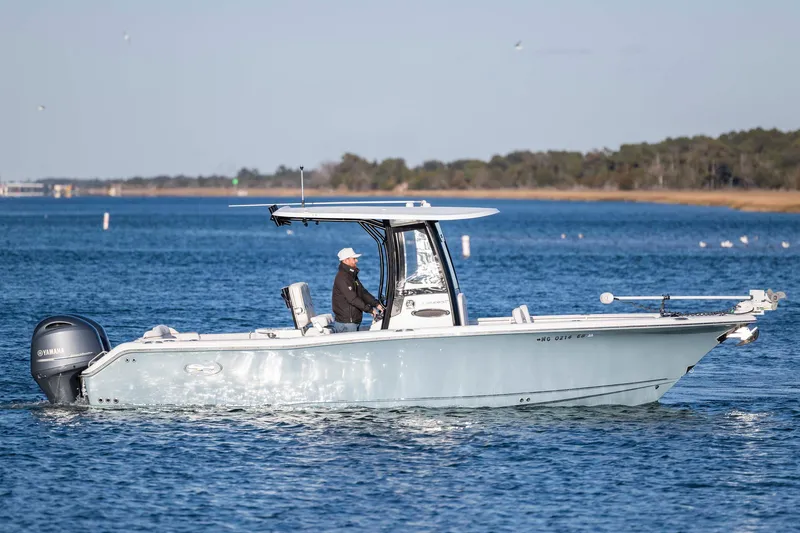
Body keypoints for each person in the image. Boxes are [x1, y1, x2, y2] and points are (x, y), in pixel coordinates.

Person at [332, 247, 384, 333]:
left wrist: (377, 304)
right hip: (346, 323)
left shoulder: (351, 275)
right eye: (354, 258)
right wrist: (370, 310)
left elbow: (362, 293)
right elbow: (352, 299)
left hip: (353, 321)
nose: (356, 261)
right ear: (346, 260)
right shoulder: (342, 277)